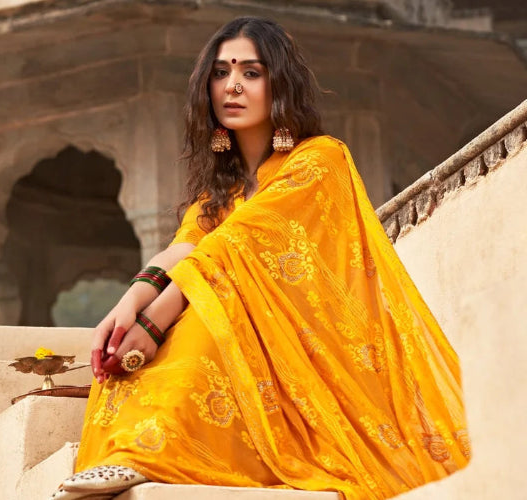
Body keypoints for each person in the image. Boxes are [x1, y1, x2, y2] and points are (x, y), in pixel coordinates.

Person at [50, 16, 469, 500]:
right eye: (221, 72)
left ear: (280, 84)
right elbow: (188, 246)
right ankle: (126, 453)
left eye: (251, 72)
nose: (232, 85)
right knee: (157, 332)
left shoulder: (319, 160)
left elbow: (239, 244)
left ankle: (149, 454)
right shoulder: (221, 192)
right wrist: (130, 305)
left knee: (206, 319)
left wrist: (157, 317)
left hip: (306, 351)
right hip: (240, 328)